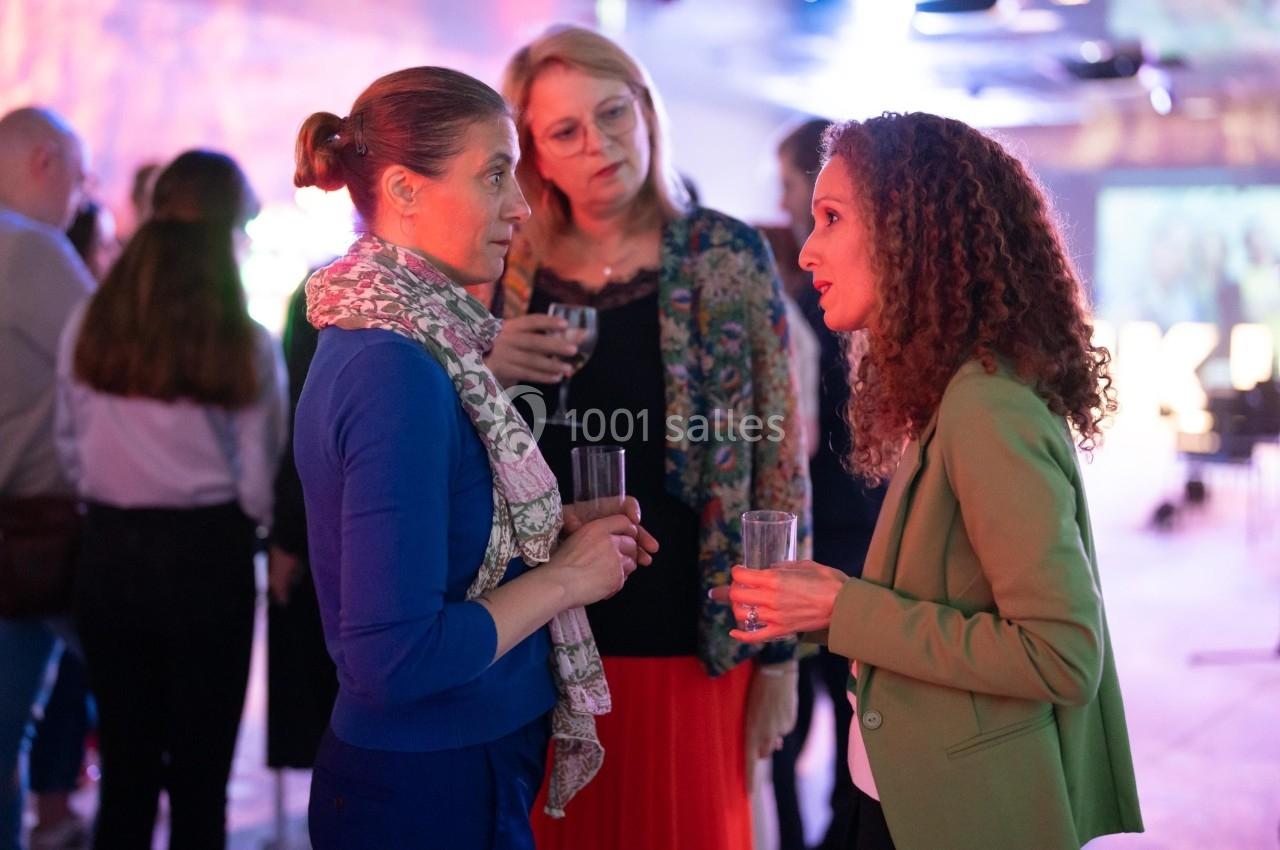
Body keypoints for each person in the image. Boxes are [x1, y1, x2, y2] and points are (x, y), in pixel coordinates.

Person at [717, 112, 1143, 850]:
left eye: (832, 218)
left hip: (951, 811)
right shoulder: (951, 390)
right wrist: (820, 606)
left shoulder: (987, 404)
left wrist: (847, 609)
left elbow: (1063, 653)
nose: (809, 247)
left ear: (911, 231)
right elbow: (946, 601)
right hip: (897, 788)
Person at [292, 66, 657, 850]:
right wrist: (566, 580)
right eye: (495, 174)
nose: (521, 205)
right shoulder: (395, 366)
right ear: (405, 189)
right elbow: (393, 658)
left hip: (442, 767)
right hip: (429, 781)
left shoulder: (413, 340)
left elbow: (428, 546)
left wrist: (544, 530)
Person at [489, 26, 810, 850]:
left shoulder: (723, 256)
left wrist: (777, 657)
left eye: (614, 113)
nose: (600, 145)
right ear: (535, 152)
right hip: (532, 634)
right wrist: (483, 360)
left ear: (646, 112)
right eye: (567, 131)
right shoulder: (502, 265)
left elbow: (775, 462)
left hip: (687, 632)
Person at [56, 150, 286, 849]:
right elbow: (257, 477)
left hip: (108, 552)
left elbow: (69, 445)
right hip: (206, 554)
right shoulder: (242, 342)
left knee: (124, 766)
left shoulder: (89, 326)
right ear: (228, 232)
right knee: (200, 776)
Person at [766, 118, 886, 850]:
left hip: (837, 533)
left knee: (840, 714)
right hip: (852, 529)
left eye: (820, 211)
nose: (797, 227)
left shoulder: (823, 306)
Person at [0, 106, 93, 850]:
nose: (81, 193)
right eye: (76, 172)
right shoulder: (29, 250)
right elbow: (110, 360)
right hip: (23, 532)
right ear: (42, 162)